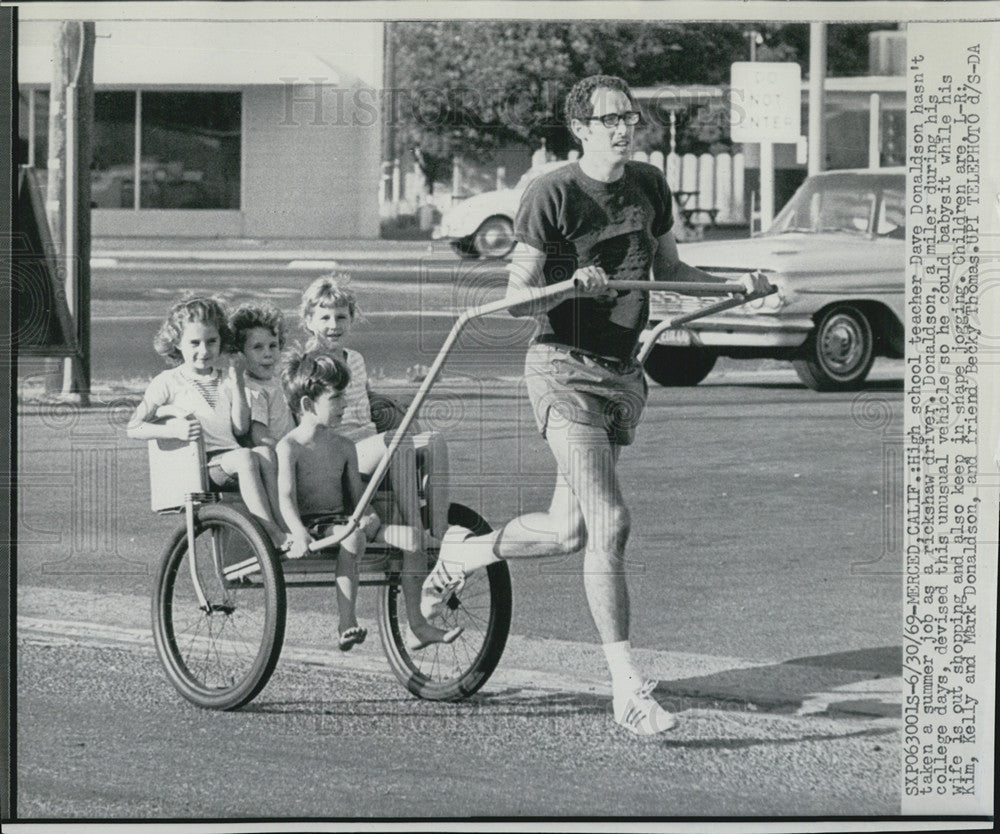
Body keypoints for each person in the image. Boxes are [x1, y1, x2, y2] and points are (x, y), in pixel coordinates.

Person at [421, 74, 772, 736]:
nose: (625, 128)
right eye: (611, 119)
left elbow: (671, 272)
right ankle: (625, 690)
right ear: (580, 128)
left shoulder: (647, 185)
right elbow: (518, 296)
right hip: (563, 372)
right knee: (609, 523)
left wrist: (737, 285)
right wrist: (567, 285)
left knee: (569, 531)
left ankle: (464, 555)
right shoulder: (550, 192)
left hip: (621, 375)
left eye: (630, 118)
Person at [299, 274, 457, 648]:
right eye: (324, 318)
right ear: (308, 320)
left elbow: (362, 398)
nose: (333, 326)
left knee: (434, 440)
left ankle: (437, 530)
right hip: (340, 449)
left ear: (351, 319)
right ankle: (419, 523)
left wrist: (385, 402)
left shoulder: (356, 359)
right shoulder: (309, 364)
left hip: (371, 440)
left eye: (341, 317)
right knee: (397, 442)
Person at [126, 296, 287, 545]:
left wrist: (239, 386)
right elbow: (134, 427)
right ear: (177, 343)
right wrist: (173, 430)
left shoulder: (225, 378)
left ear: (221, 341)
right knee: (246, 457)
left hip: (230, 459)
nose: (204, 351)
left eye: (211, 342)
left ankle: (284, 524)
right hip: (199, 465)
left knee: (265, 453)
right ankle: (270, 533)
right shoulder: (168, 381)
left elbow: (240, 427)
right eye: (194, 343)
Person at [229, 302, 296, 446]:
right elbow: (260, 438)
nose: (268, 354)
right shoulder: (253, 390)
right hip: (276, 456)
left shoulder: (278, 381)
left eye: (273, 346)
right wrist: (292, 453)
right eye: (257, 347)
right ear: (240, 354)